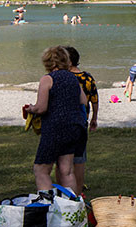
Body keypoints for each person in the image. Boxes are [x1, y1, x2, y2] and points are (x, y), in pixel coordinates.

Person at [30, 45, 86, 199]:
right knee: (66, 170)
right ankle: (71, 208)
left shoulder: (47, 79)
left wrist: (31, 109)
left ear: (47, 62)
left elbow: (41, 108)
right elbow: (84, 100)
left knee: (41, 170)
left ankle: (48, 207)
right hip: (74, 128)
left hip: (55, 128)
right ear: (66, 61)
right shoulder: (73, 79)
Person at [65, 46, 98, 192]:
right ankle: (78, 190)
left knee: (65, 159)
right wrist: (94, 118)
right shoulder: (87, 78)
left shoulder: (62, 78)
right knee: (79, 159)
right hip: (81, 121)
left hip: (65, 121)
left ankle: (66, 190)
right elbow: (94, 100)